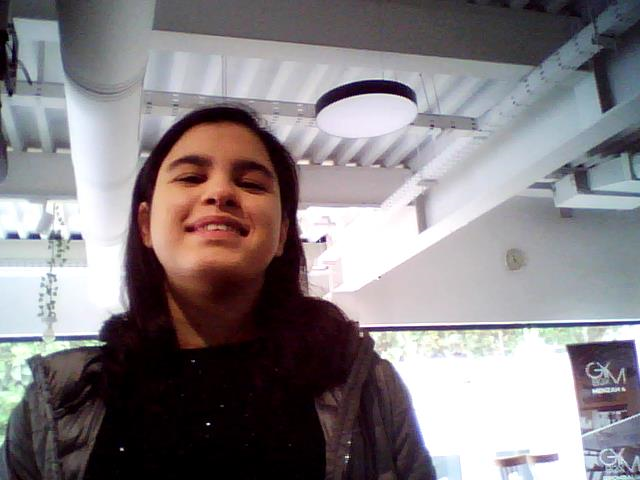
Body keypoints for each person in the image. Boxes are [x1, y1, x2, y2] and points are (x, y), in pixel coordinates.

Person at [0, 106, 436, 479]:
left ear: (282, 234)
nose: (220, 192)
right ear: (146, 225)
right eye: (191, 177)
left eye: (252, 184)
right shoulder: (56, 402)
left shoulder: (368, 389)